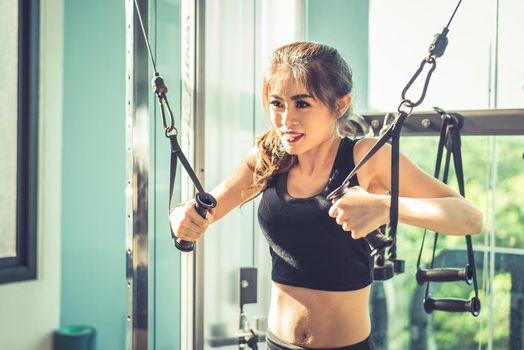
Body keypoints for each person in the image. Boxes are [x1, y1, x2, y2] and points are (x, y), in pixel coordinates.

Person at [169, 42, 484, 350]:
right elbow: (206, 208)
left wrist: (385, 206)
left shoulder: (368, 158)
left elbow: (470, 218)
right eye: (277, 103)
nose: (285, 120)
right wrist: (180, 216)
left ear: (340, 105)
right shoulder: (268, 158)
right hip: (276, 344)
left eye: (302, 104)